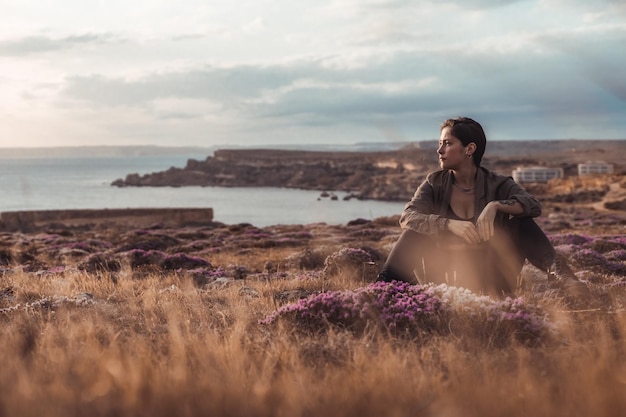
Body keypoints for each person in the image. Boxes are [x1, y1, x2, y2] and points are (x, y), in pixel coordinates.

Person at [377, 116, 590, 298]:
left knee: (521, 223)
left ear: (470, 149)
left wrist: (496, 206)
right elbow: (408, 217)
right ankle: (382, 289)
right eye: (440, 143)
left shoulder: (498, 183)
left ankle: (566, 280)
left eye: (447, 143)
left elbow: (533, 206)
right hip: (442, 281)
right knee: (413, 233)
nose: (439, 150)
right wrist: (447, 224)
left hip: (493, 281)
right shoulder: (434, 183)